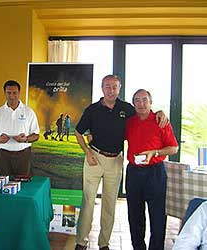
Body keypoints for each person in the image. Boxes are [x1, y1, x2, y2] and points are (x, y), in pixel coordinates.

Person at [74, 75, 168, 250]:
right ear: (102, 88)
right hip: (94, 158)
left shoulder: (127, 108)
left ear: (119, 88)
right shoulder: (92, 109)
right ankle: (81, 242)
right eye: (108, 87)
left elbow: (144, 113)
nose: (111, 90)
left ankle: (104, 243)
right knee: (88, 202)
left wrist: (160, 112)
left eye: (115, 87)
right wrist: (87, 151)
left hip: (116, 161)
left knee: (109, 203)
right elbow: (78, 132)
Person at [125, 89, 178, 250]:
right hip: (133, 172)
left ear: (151, 102)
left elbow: (174, 148)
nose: (141, 104)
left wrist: (155, 152)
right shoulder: (130, 122)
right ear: (133, 104)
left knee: (157, 216)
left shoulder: (160, 121)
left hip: (155, 172)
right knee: (135, 216)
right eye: (137, 100)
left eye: (144, 100)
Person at [0, 80, 39, 175]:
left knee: (23, 185)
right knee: (2, 184)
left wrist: (26, 139)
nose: (11, 96)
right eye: (8, 93)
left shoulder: (29, 112)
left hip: (23, 155)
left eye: (14, 93)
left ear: (19, 93)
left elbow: (36, 135)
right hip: (2, 156)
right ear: (4, 93)